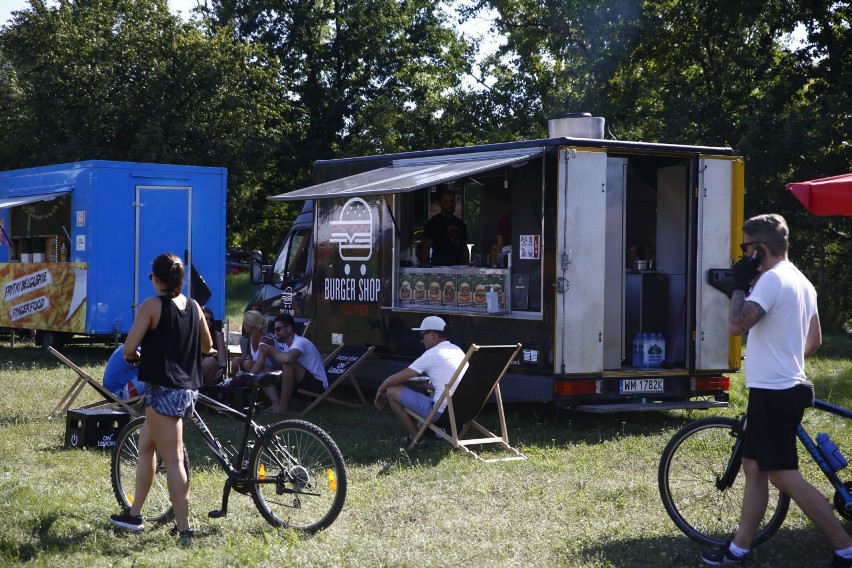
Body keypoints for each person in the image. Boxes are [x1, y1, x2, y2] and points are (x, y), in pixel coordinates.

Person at [701, 214, 852, 567]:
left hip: (774, 391)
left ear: (761, 248)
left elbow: (737, 325)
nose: (742, 255)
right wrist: (784, 358)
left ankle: (845, 548)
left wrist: (739, 286)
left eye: (745, 248)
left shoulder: (769, 280)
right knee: (753, 466)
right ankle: (739, 549)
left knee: (784, 475)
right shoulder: (802, 281)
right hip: (786, 386)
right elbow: (812, 340)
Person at [108, 252, 213, 539]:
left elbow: (129, 347)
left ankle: (184, 529)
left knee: (174, 460)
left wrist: (136, 355)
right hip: (186, 390)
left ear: (156, 279)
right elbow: (208, 346)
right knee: (145, 448)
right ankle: (134, 514)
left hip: (163, 392)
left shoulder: (152, 306)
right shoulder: (193, 306)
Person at [374, 316, 467, 447]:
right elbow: (453, 386)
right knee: (430, 395)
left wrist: (380, 391)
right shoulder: (457, 351)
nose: (421, 340)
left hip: (442, 413)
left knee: (391, 391)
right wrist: (427, 385)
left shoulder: (432, 354)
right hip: (464, 410)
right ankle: (414, 436)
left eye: (422, 335)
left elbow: (395, 379)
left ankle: (418, 440)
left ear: (433, 334)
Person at [255, 313, 328, 414]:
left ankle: (282, 408)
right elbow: (280, 367)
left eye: (278, 329)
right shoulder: (289, 346)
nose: (275, 333)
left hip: (317, 387)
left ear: (289, 328)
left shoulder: (300, 342)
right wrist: (270, 355)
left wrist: (274, 352)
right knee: (265, 368)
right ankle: (276, 403)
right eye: (275, 330)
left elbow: (289, 359)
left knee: (289, 363)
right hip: (302, 383)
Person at [420, 189, 469, 266]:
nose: (450, 204)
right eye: (446, 202)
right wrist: (426, 269)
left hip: (458, 269)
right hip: (438, 268)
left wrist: (466, 268)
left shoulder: (460, 224)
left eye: (452, 201)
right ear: (440, 204)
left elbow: (464, 248)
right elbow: (426, 248)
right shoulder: (433, 223)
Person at [230, 310, 273, 374]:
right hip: (257, 367)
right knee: (236, 360)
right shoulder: (251, 337)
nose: (243, 326)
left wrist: (247, 378)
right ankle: (235, 382)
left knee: (247, 364)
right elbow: (251, 357)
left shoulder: (265, 340)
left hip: (270, 371)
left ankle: (245, 383)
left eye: (244, 323)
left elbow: (260, 363)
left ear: (249, 326)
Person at [200, 306, 228, 384]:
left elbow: (222, 357)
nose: (208, 321)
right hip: (195, 368)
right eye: (205, 319)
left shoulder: (217, 335)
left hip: (212, 369)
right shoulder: (192, 334)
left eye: (210, 319)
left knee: (209, 361)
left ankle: (206, 390)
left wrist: (222, 369)